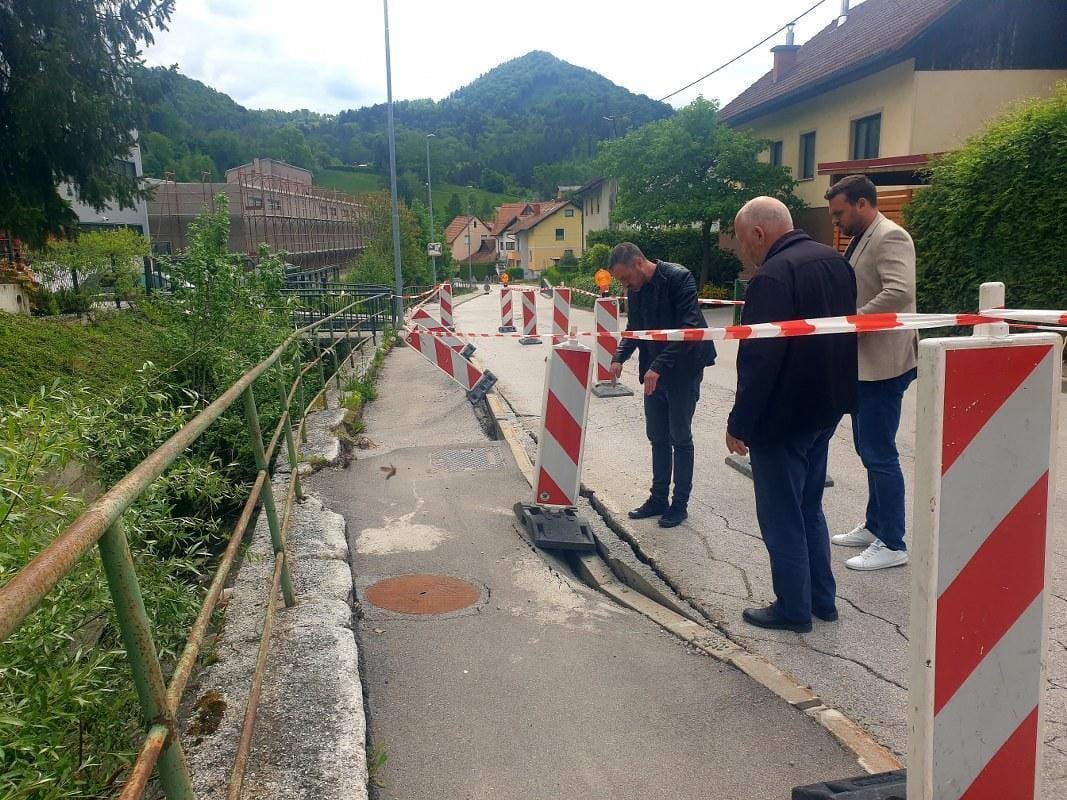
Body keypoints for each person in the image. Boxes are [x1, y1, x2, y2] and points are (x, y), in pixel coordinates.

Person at [726, 197, 857, 632]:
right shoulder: (835, 262)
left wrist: (739, 423)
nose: (744, 252)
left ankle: (793, 608)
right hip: (825, 410)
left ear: (760, 234)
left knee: (782, 515)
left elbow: (760, 359)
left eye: (744, 242)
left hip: (782, 418)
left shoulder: (772, 277)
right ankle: (823, 600)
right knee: (809, 508)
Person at [825, 175, 917, 571]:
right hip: (867, 363)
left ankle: (893, 541)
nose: (836, 221)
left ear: (862, 204)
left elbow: (899, 292)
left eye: (840, 213)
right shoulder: (864, 236)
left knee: (879, 452)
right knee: (868, 449)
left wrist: (853, 321)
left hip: (884, 363)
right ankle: (876, 525)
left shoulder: (890, 236)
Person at [609, 243, 716, 528]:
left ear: (638, 263)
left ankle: (680, 504)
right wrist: (619, 356)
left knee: (680, 437)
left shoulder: (678, 278)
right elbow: (635, 329)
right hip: (654, 370)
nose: (624, 284)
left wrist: (658, 367)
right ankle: (658, 499)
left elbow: (689, 328)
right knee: (657, 436)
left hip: (684, 368)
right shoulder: (636, 289)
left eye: (624, 277)